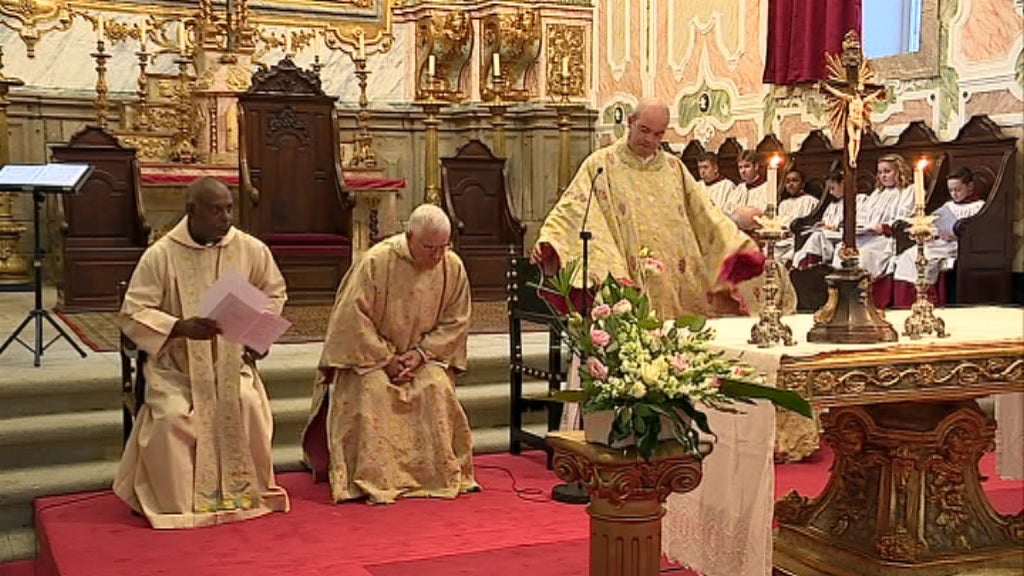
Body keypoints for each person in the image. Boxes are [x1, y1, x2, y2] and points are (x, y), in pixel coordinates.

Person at [533, 97, 792, 576]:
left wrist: (738, 250)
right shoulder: (601, 167)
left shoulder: (674, 169)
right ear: (628, 124)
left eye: (659, 134)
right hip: (632, 287)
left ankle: (682, 449)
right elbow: (571, 220)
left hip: (681, 286)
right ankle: (630, 454)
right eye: (645, 131)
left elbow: (706, 216)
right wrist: (594, 267)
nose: (651, 141)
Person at [114, 176, 290, 529]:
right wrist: (180, 327)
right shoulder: (161, 255)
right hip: (176, 370)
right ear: (191, 211)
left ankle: (244, 494)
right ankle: (179, 504)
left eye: (228, 209)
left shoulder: (250, 249)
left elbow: (275, 293)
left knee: (247, 403)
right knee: (172, 419)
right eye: (215, 210)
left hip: (228, 364)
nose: (225, 217)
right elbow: (132, 313)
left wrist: (258, 333)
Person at [301, 203, 478, 504]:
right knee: (373, 393)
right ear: (410, 236)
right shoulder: (376, 262)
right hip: (370, 359)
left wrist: (421, 354)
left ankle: (432, 474)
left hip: (422, 358)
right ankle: (376, 477)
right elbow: (351, 320)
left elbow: (456, 320)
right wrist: (386, 359)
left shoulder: (452, 266)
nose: (437, 256)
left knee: (435, 387)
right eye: (429, 247)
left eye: (443, 247)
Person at [892, 166, 984, 307]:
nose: (954, 194)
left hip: (959, 246)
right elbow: (933, 225)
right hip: (940, 242)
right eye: (951, 190)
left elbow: (977, 231)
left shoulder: (979, 206)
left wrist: (955, 234)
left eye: (958, 190)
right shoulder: (947, 206)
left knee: (926, 260)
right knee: (907, 256)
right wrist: (932, 232)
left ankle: (928, 303)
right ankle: (905, 304)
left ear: (970, 187)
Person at [831, 153, 915, 280]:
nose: (883, 176)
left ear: (899, 171)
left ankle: (862, 292)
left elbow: (906, 217)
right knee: (842, 250)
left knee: (863, 255)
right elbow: (864, 214)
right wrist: (858, 226)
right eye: (880, 172)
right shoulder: (877, 193)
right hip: (868, 236)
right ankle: (841, 291)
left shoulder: (909, 191)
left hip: (888, 238)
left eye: (887, 171)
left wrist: (884, 228)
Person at [793, 170, 868, 269]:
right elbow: (826, 220)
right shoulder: (832, 204)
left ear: (843, 184)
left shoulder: (860, 199)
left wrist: (835, 227)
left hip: (847, 237)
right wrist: (823, 225)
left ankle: (808, 267)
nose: (830, 192)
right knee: (816, 236)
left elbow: (861, 222)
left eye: (833, 188)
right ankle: (807, 267)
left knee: (817, 237)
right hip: (829, 237)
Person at [775, 168, 820, 266]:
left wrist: (791, 232)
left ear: (802, 184)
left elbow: (809, 224)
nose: (790, 184)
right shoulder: (783, 204)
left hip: (798, 240)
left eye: (795, 180)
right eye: (787, 182)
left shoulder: (810, 201)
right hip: (782, 240)